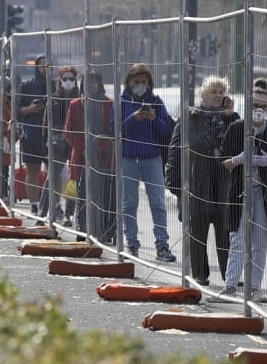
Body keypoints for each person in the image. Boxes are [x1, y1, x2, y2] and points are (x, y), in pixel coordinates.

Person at [210, 78, 267, 303]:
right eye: (255, 105)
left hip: (264, 194)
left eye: (263, 106)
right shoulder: (236, 129)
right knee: (237, 239)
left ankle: (255, 288)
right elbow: (223, 161)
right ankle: (230, 287)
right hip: (240, 191)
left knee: (259, 242)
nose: (259, 110)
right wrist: (237, 160)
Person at [165, 76, 238, 285]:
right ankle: (199, 275)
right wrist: (175, 184)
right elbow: (175, 150)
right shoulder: (191, 117)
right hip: (198, 183)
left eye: (221, 92)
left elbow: (239, 145)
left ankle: (230, 277)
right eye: (213, 91)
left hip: (224, 183)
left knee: (226, 232)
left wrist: (229, 116)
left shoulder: (231, 118)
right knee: (197, 231)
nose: (217, 95)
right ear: (203, 94)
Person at [115, 63, 176, 262]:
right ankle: (131, 242)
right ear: (129, 82)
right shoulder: (122, 102)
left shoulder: (156, 102)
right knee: (129, 203)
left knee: (158, 203)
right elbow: (115, 130)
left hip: (152, 159)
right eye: (137, 81)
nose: (141, 85)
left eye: (144, 82)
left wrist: (153, 119)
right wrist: (134, 117)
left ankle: (162, 245)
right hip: (129, 159)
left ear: (149, 83)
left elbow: (167, 129)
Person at [65, 71, 116, 242]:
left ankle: (103, 231)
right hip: (82, 156)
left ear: (99, 83)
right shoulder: (75, 104)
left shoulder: (110, 104)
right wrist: (84, 148)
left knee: (103, 194)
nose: (90, 85)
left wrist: (99, 146)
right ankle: (82, 228)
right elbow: (69, 132)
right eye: (87, 81)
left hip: (104, 156)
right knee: (81, 193)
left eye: (94, 81)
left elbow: (113, 131)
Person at [39, 66, 79, 226]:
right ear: (60, 81)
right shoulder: (53, 99)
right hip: (57, 145)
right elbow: (45, 124)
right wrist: (44, 148)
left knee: (73, 180)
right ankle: (43, 214)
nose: (68, 82)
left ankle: (69, 215)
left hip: (76, 144)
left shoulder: (80, 99)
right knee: (51, 180)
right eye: (65, 79)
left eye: (71, 78)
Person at [17, 54, 49, 216]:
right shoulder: (27, 86)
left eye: (47, 65)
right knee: (33, 171)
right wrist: (30, 108)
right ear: (36, 67)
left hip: (49, 136)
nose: (44, 68)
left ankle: (50, 204)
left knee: (55, 173)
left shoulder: (54, 85)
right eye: (41, 65)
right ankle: (35, 205)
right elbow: (18, 111)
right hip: (31, 135)